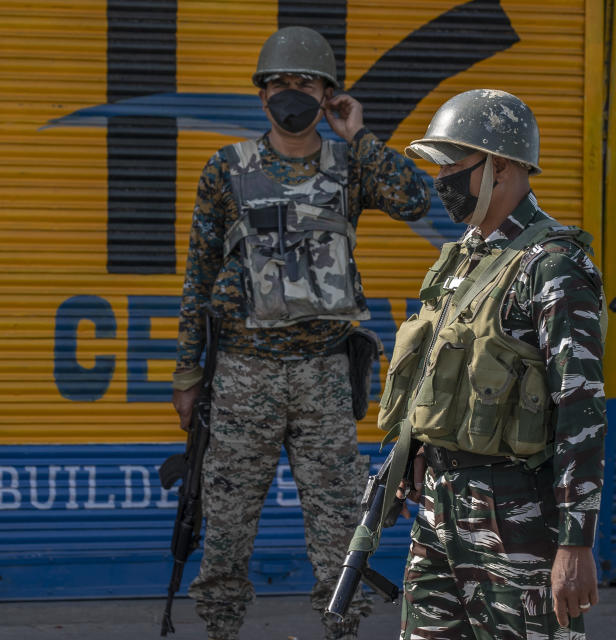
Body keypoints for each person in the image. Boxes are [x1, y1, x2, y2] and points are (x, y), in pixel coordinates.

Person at [170, 26, 430, 640]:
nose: (292, 92)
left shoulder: (349, 164)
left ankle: (343, 628)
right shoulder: (227, 169)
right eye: (280, 82)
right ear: (262, 95)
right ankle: (218, 629)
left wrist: (359, 134)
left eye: (305, 82)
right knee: (227, 525)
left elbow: (416, 199)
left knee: (340, 526)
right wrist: (187, 373)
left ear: (328, 92)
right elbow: (197, 274)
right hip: (241, 375)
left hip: (323, 375)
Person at [379, 89, 607, 639]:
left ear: (501, 165)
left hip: (516, 517)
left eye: (455, 165)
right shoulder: (463, 259)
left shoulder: (554, 266)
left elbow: (580, 409)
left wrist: (575, 543)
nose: (442, 179)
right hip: (440, 507)